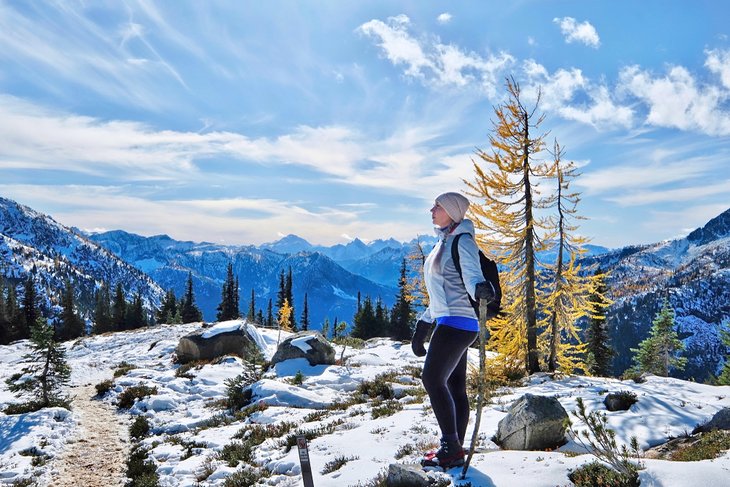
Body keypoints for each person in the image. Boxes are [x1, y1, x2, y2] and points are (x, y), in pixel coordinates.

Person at [411, 192, 495, 469]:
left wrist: (482, 290)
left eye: (438, 206)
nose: (431, 210)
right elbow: (440, 292)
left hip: (458, 323)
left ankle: (450, 447)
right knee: (454, 386)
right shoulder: (444, 242)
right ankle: (455, 446)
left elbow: (472, 277)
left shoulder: (462, 241)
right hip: (450, 320)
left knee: (432, 380)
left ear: (452, 212)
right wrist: (424, 324)